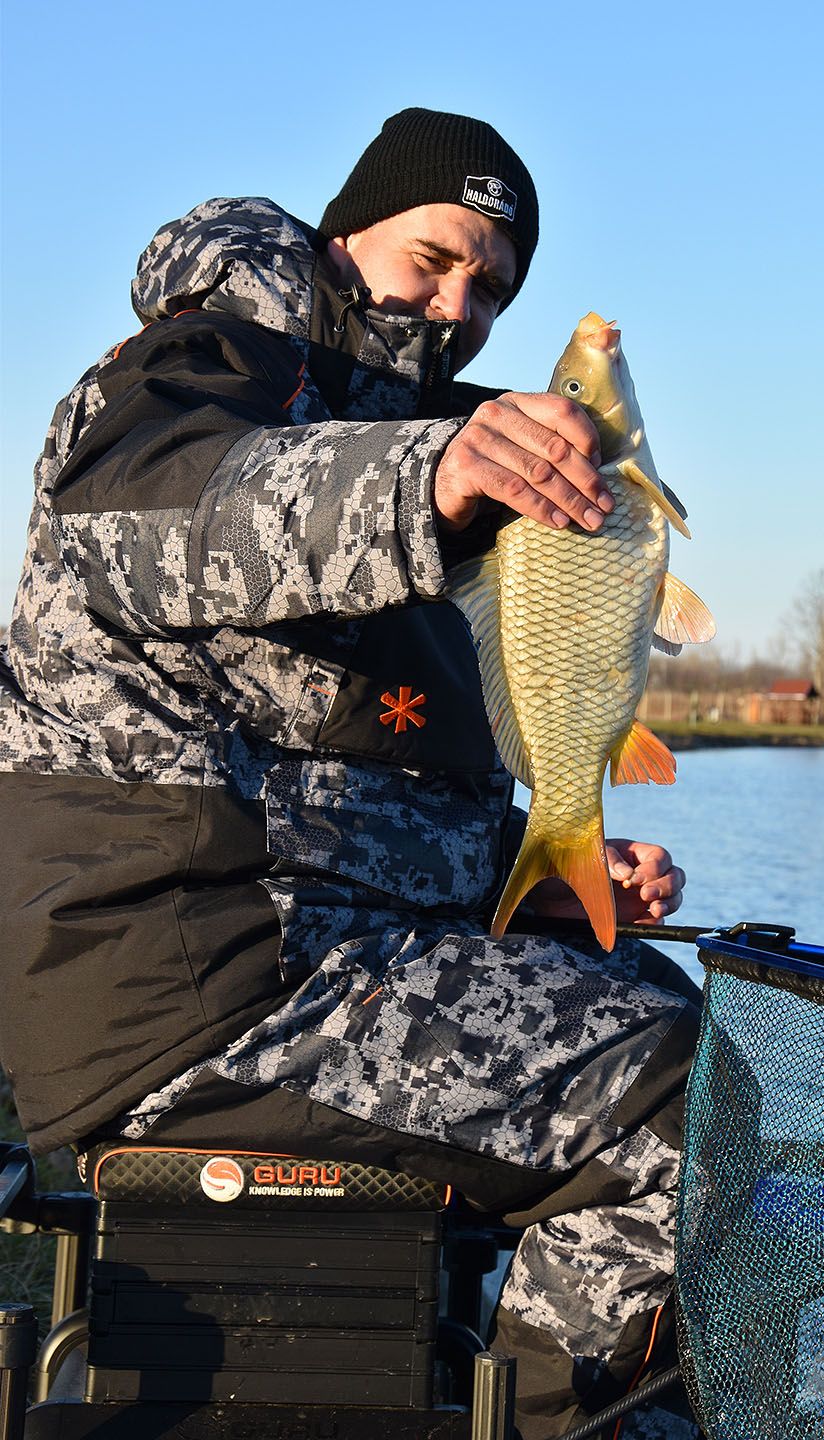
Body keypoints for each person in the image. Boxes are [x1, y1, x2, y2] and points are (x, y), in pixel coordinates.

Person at [0, 108, 702, 1438]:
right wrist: (427, 470)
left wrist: (518, 871)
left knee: (645, 996)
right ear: (341, 240)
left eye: (491, 289)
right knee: (681, 1100)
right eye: (432, 259)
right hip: (189, 994)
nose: (458, 307)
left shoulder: (392, 429)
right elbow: (172, 519)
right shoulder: (188, 377)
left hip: (310, 952)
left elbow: (319, 767)